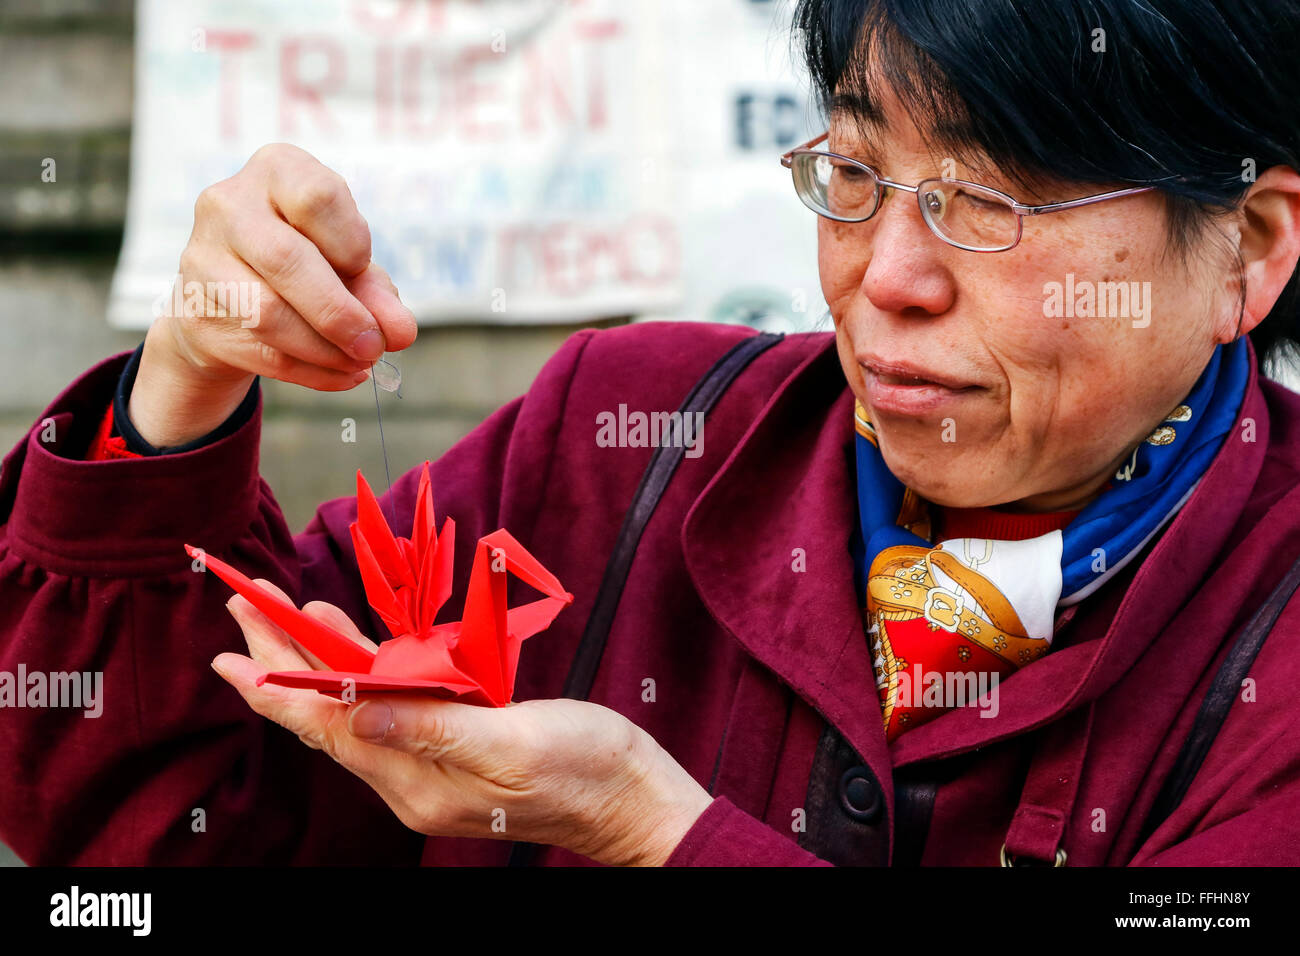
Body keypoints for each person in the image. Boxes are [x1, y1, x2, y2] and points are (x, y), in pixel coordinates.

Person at [2, 0, 1299, 866]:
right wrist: (179, 391)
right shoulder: (626, 447)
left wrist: (655, 830)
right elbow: (149, 816)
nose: (889, 275)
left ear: (1248, 247)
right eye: (854, 173)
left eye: (996, 200)